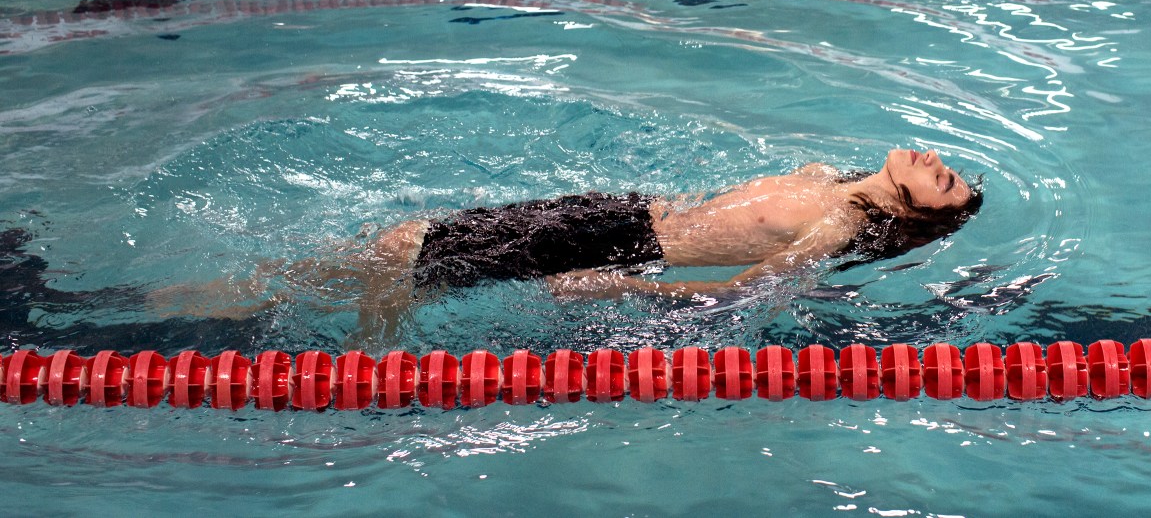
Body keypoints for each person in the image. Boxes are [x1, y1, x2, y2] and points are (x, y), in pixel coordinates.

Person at [145, 148, 983, 344]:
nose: (939, 164)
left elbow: (743, 294)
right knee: (400, 245)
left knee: (406, 250)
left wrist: (610, 287)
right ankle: (258, 294)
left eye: (944, 180)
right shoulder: (836, 178)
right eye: (948, 166)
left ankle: (368, 358)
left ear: (913, 210)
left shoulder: (839, 224)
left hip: (615, 239)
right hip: (617, 209)